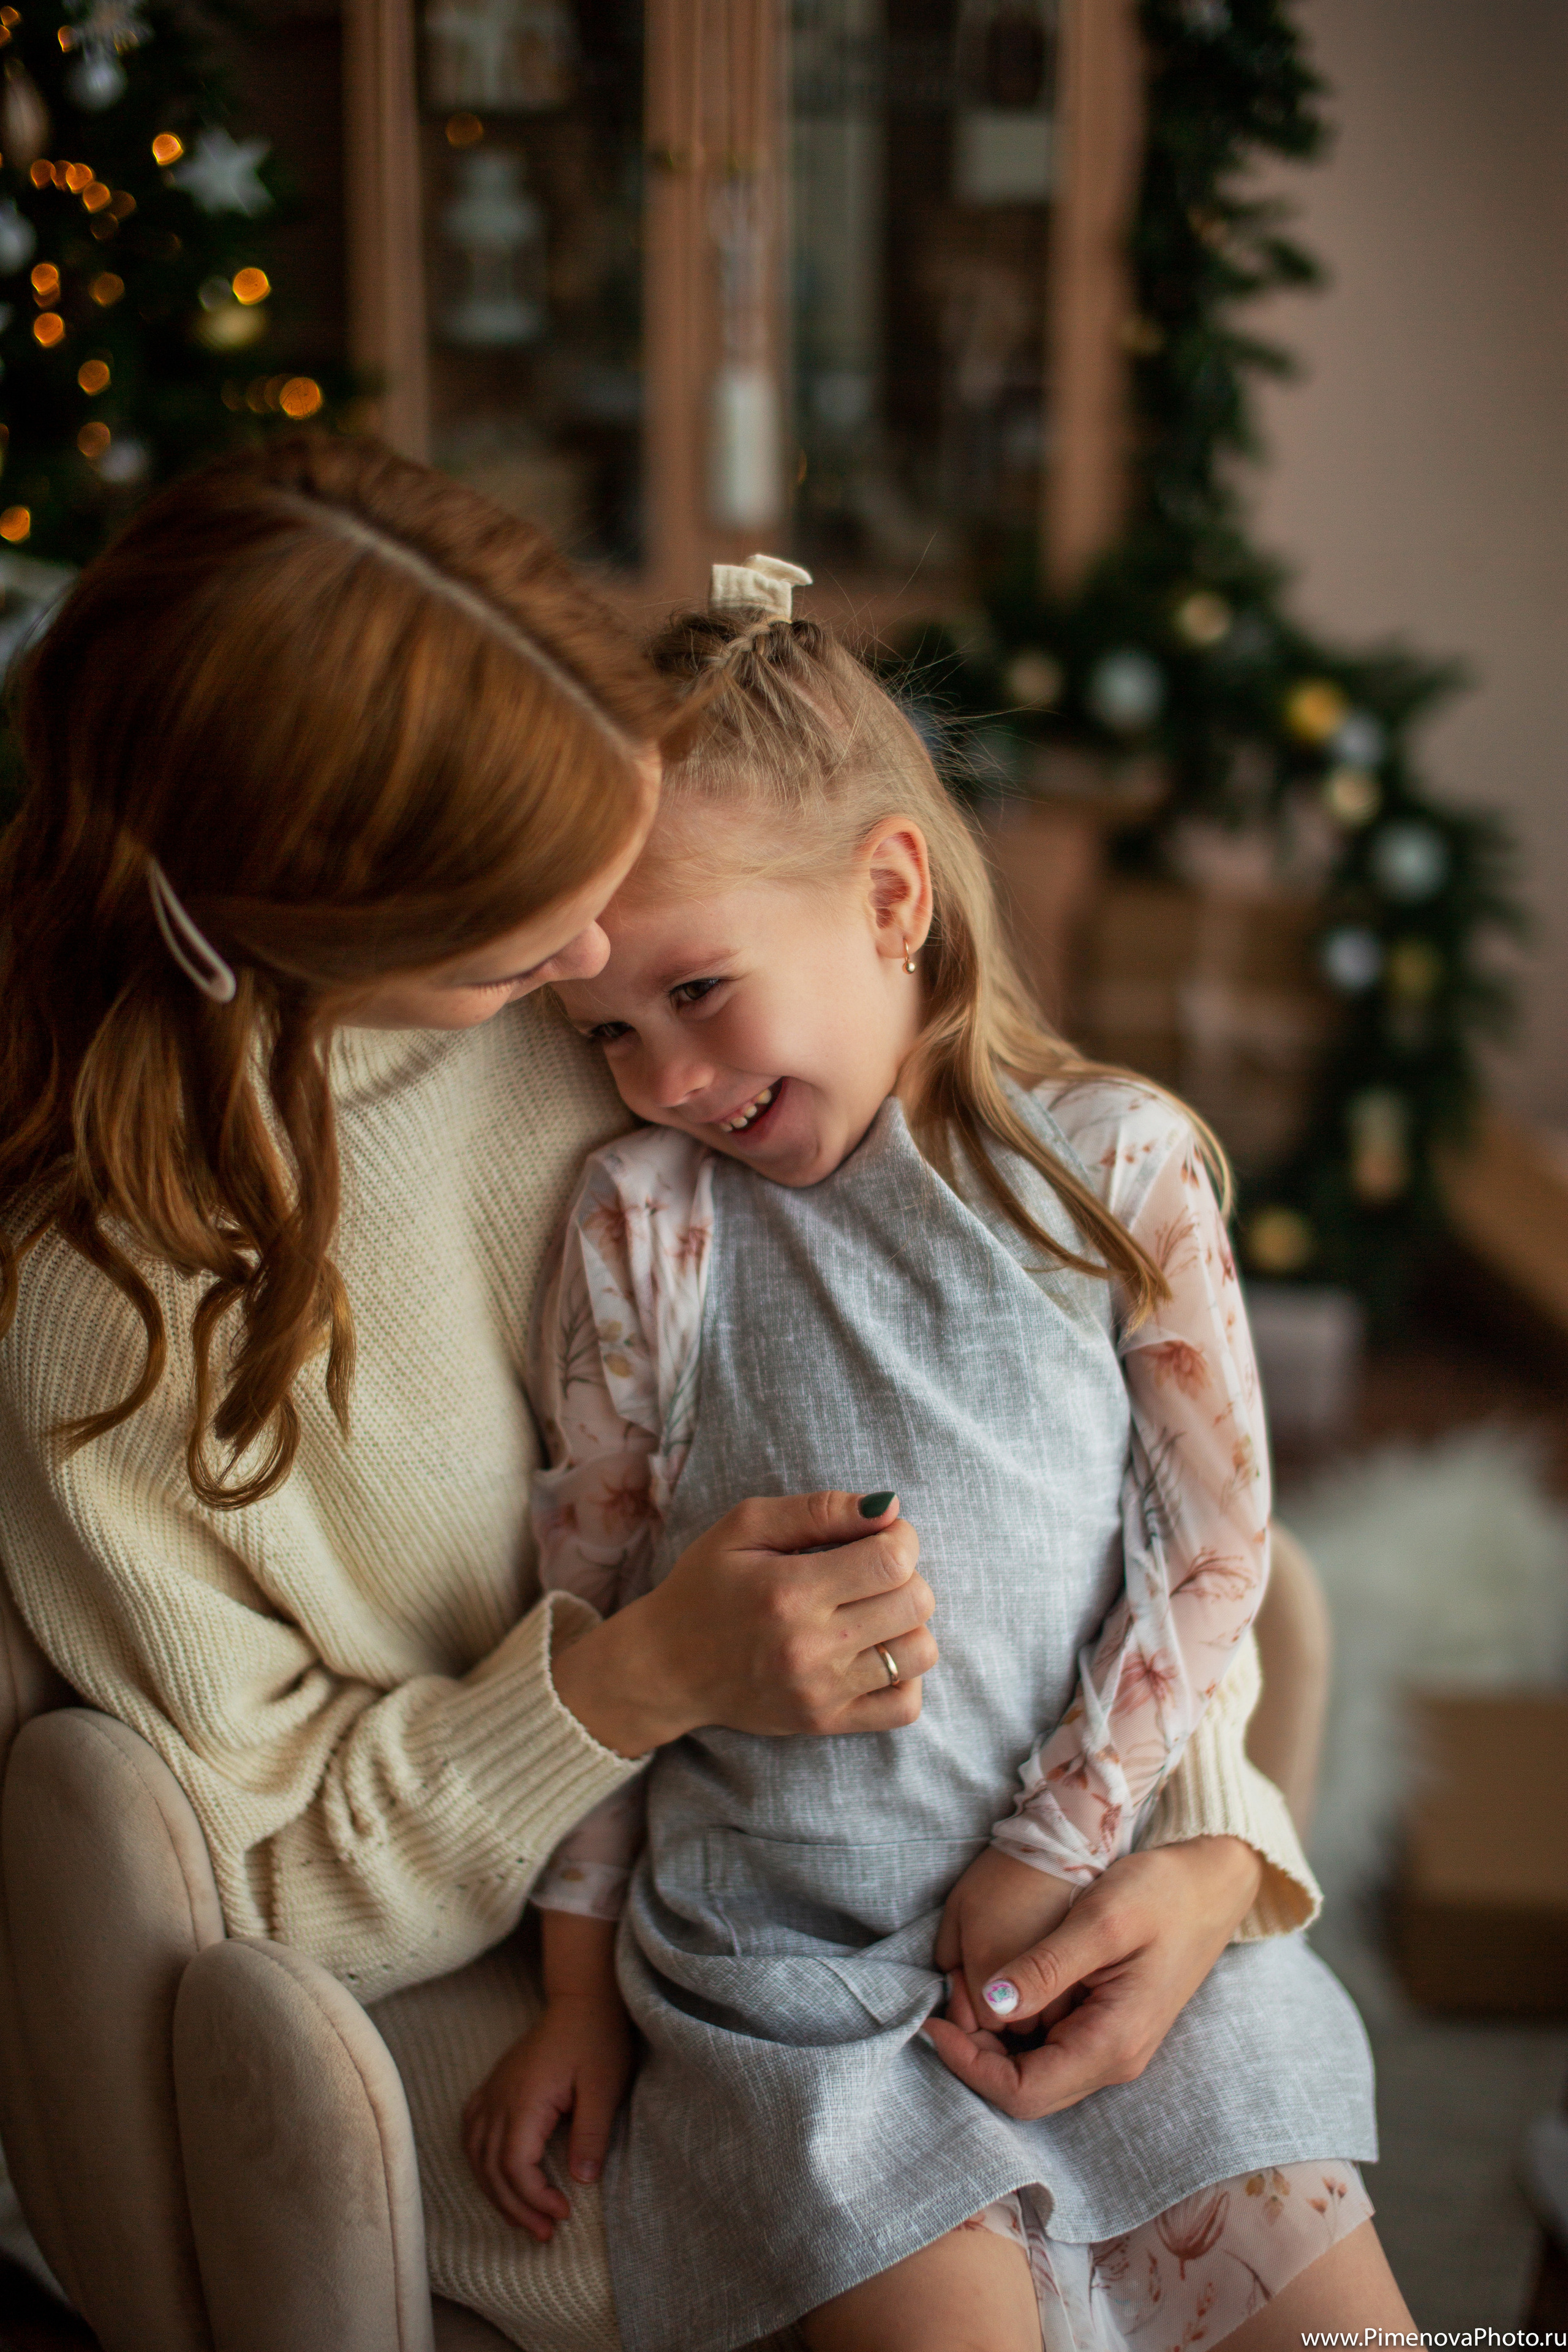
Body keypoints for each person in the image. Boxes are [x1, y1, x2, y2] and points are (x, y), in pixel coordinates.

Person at [0, 443, 1359, 2352]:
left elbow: (1078, 1475)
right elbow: (235, 1886)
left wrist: (1210, 1854)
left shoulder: (687, 1014)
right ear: (321, 913)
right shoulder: (108, 1323)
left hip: (1021, 1892)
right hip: (618, 2039)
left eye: (606, 873)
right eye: (528, 940)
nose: (594, 962)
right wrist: (638, 1683)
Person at [461, 563, 1409, 2352]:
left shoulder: (1110, 1170)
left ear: (891, 894)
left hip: (1104, 1916)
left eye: (700, 991)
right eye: (606, 1030)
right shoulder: (644, 1226)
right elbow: (582, 1610)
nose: (660, 1073)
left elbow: (1213, 1551)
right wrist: (578, 1991)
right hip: (789, 1977)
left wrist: (1060, 1841)